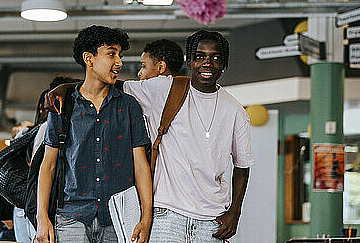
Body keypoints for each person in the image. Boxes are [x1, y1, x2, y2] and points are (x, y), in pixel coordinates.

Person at [46, 30, 252, 242]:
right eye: (199, 57)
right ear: (189, 62)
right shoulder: (164, 88)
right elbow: (111, 85)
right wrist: (66, 87)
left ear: (224, 64)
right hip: (165, 214)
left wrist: (234, 212)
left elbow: (242, 167)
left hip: (211, 219)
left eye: (216, 58)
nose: (207, 63)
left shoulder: (236, 111)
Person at [35, 25, 153, 243]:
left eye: (120, 55)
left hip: (118, 219)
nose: (119, 62)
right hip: (71, 218)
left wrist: (146, 219)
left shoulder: (128, 106)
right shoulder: (63, 106)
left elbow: (141, 165)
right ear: (89, 58)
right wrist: (42, 217)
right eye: (111, 54)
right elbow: (48, 165)